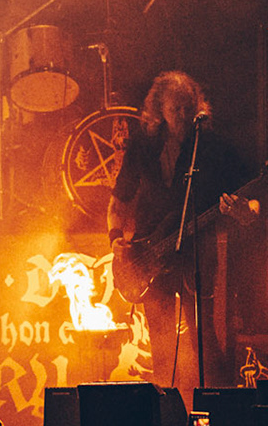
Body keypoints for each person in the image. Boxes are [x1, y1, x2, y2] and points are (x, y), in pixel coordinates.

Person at [107, 71, 250, 396]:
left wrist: (243, 209)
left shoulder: (211, 147)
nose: (183, 117)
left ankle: (209, 413)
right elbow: (119, 199)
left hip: (195, 254)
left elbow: (246, 195)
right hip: (149, 253)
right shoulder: (144, 145)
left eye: (188, 108)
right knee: (160, 341)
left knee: (202, 337)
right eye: (175, 110)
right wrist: (116, 239)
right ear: (159, 110)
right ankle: (166, 415)